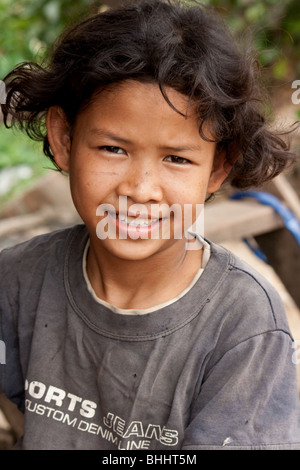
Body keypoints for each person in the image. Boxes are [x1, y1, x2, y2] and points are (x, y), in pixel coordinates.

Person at [1, 0, 300, 450]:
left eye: (177, 158)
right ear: (64, 140)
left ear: (218, 169)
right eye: (113, 149)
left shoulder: (242, 324)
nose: (141, 189)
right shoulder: (17, 279)